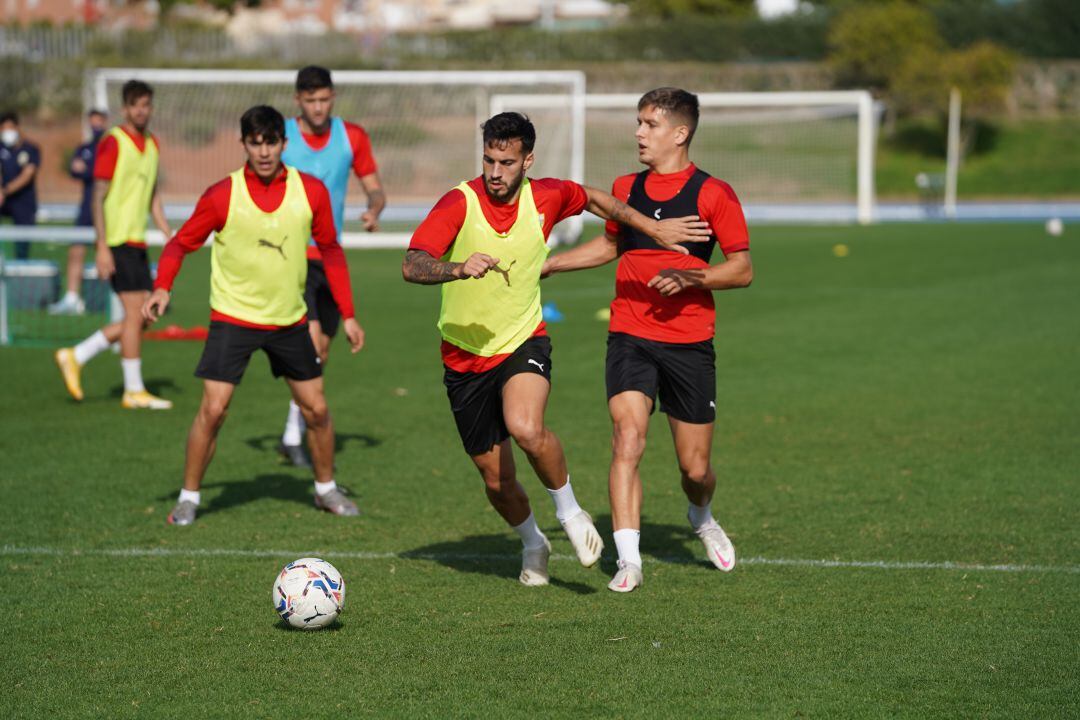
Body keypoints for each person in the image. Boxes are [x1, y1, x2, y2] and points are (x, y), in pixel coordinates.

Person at [402, 111, 711, 587]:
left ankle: (569, 512)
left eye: (506, 162)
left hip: (524, 339)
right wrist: (457, 267)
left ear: (528, 160)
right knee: (496, 482)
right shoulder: (458, 203)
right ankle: (533, 542)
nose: (495, 172)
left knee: (526, 427)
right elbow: (413, 263)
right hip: (463, 356)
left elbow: (595, 200)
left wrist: (655, 230)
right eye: (488, 160)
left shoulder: (547, 195)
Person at [542, 88, 753, 593]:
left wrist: (692, 278)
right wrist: (549, 265)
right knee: (628, 438)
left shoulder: (713, 194)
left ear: (679, 133)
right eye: (638, 123)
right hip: (629, 334)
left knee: (695, 468)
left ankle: (701, 517)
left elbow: (742, 269)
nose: (639, 133)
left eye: (649, 125)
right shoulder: (624, 187)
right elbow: (610, 245)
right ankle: (629, 560)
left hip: (689, 341)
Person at [143, 105, 365, 526]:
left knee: (316, 410)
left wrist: (349, 315)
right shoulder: (222, 194)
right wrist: (162, 286)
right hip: (233, 319)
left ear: (284, 143)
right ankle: (189, 497)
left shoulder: (310, 191)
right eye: (255, 143)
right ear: (243, 144)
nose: (264, 151)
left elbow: (332, 252)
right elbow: (179, 244)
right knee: (213, 410)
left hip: (289, 321)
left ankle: (325, 489)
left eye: (271, 142)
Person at [277, 65, 386, 468]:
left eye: (325, 99)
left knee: (320, 350)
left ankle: (291, 431)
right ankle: (296, 436)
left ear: (333, 97)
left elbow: (375, 188)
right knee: (308, 344)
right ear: (298, 101)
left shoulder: (351, 136)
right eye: (311, 101)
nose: (319, 108)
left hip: (329, 258)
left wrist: (373, 210)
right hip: (288, 258)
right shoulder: (281, 137)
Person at [54, 81, 173, 409]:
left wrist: (166, 231)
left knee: (145, 315)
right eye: (135, 105)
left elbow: (152, 195)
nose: (141, 110)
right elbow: (98, 194)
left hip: (136, 242)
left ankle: (76, 355)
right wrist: (102, 245)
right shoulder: (113, 142)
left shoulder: (153, 144)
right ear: (125, 108)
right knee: (136, 315)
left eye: (146, 104)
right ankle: (133, 390)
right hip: (117, 240)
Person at [49, 109, 109, 316]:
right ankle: (72, 298)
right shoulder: (84, 147)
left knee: (112, 251)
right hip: (86, 207)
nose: (96, 124)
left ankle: (118, 299)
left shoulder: (110, 147)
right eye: (92, 120)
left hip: (108, 208)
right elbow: (75, 169)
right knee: (76, 250)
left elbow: (101, 173)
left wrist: (88, 169)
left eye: (99, 120)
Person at [0, 111, 41, 260]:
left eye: (9, 128)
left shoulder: (30, 149)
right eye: (3, 129)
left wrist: (5, 191)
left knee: (22, 244)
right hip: (3, 198)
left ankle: (20, 271)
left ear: (17, 128)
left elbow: (27, 175)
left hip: (23, 200)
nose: (6, 132)